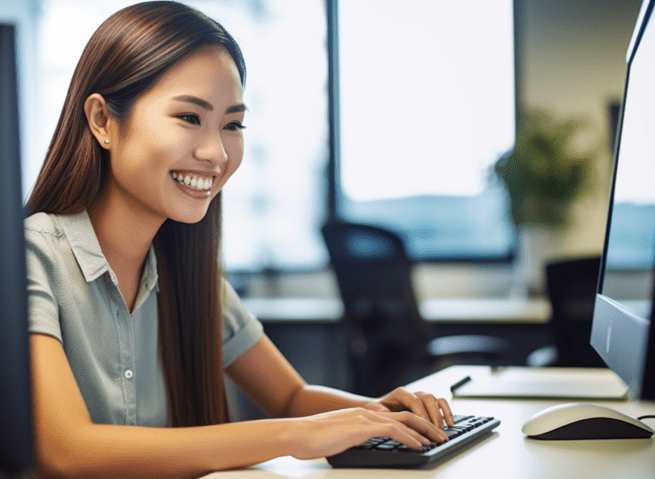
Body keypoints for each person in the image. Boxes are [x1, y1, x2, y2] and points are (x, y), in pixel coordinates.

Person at [24, 2, 454, 478]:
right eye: (190, 117)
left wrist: (376, 414)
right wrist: (295, 436)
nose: (216, 153)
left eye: (232, 124)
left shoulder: (188, 274)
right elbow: (66, 450)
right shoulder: (31, 258)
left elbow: (291, 398)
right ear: (103, 120)